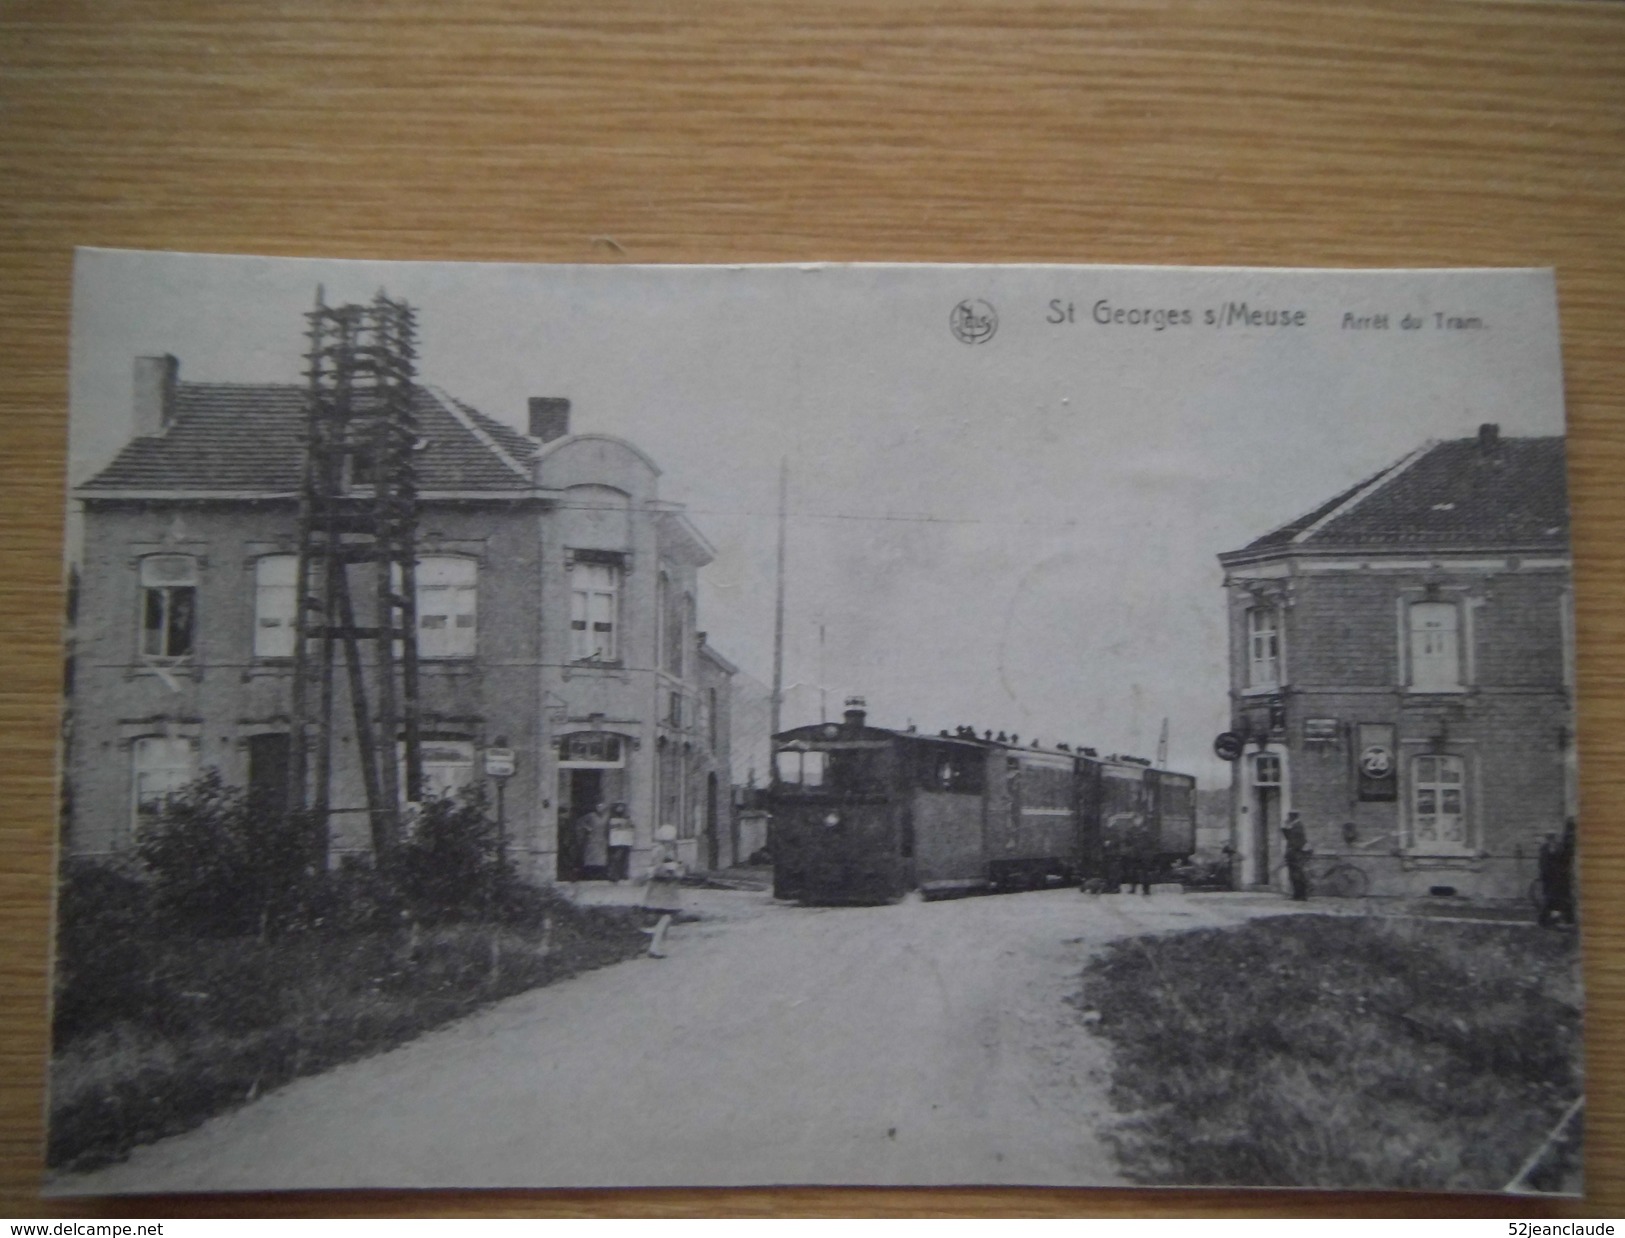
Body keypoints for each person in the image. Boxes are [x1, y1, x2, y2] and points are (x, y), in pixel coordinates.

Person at [575, 801, 610, 881]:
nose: (600, 809)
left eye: (602, 807)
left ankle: (600, 875)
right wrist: (587, 828)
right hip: (592, 839)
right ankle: (589, 875)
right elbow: (580, 822)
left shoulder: (606, 817)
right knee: (591, 858)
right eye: (598, 807)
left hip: (602, 840)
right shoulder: (591, 816)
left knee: (601, 859)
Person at [1282, 811, 1309, 901]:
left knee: (1297, 875)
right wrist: (1285, 829)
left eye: (1289, 816)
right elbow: (1289, 838)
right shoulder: (1295, 826)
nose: (1288, 818)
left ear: (1293, 816)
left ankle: (1301, 895)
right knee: (1294, 875)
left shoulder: (1298, 826)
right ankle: (1297, 895)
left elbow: (1297, 841)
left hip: (1296, 854)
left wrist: (1292, 850)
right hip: (1293, 853)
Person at [606, 802, 634, 883]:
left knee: (625, 858)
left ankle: (624, 874)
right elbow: (608, 829)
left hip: (625, 841)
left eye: (621, 807)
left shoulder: (627, 817)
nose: (620, 808)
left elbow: (631, 828)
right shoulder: (611, 818)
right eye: (618, 807)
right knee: (615, 858)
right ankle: (614, 875)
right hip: (615, 842)